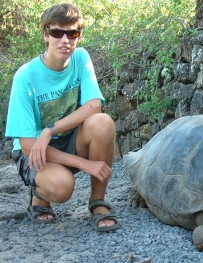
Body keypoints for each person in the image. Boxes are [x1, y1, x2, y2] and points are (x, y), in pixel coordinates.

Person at [5, 2, 119, 232]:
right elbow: (27, 145)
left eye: (72, 33)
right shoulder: (25, 76)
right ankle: (39, 196)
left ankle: (98, 203)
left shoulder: (81, 58)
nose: (65, 40)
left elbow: (94, 106)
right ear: (46, 34)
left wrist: (50, 130)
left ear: (79, 36)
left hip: (64, 138)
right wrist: (83, 163)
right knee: (62, 188)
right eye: (57, 32)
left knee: (103, 123)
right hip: (35, 151)